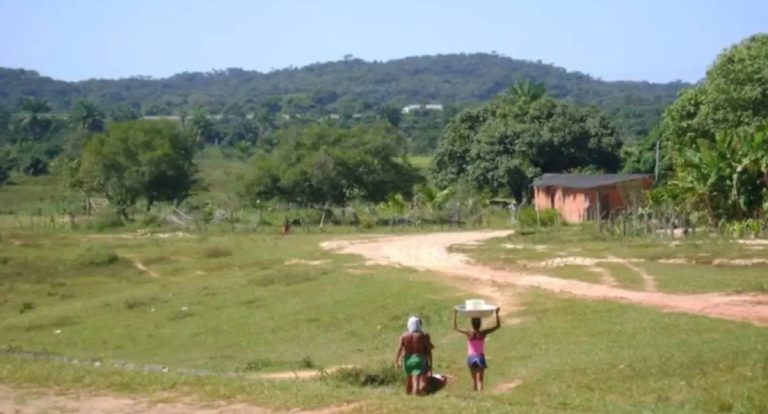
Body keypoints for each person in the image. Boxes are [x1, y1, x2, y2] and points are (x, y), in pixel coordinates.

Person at [453, 307, 501, 391]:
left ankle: (475, 396)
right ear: (480, 324)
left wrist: (455, 314)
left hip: (471, 357)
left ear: (472, 324)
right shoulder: (483, 333)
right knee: (480, 381)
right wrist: (496, 314)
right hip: (480, 357)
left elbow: (456, 327)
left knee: (474, 381)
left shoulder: (469, 333)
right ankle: (480, 395)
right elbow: (497, 326)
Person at [395, 316, 434, 395]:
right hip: (418, 359)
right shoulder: (423, 336)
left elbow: (399, 349)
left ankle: (408, 395)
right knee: (416, 380)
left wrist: (396, 361)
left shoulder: (404, 336)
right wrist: (430, 363)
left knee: (409, 381)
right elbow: (429, 350)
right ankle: (417, 393)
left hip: (407, 360)